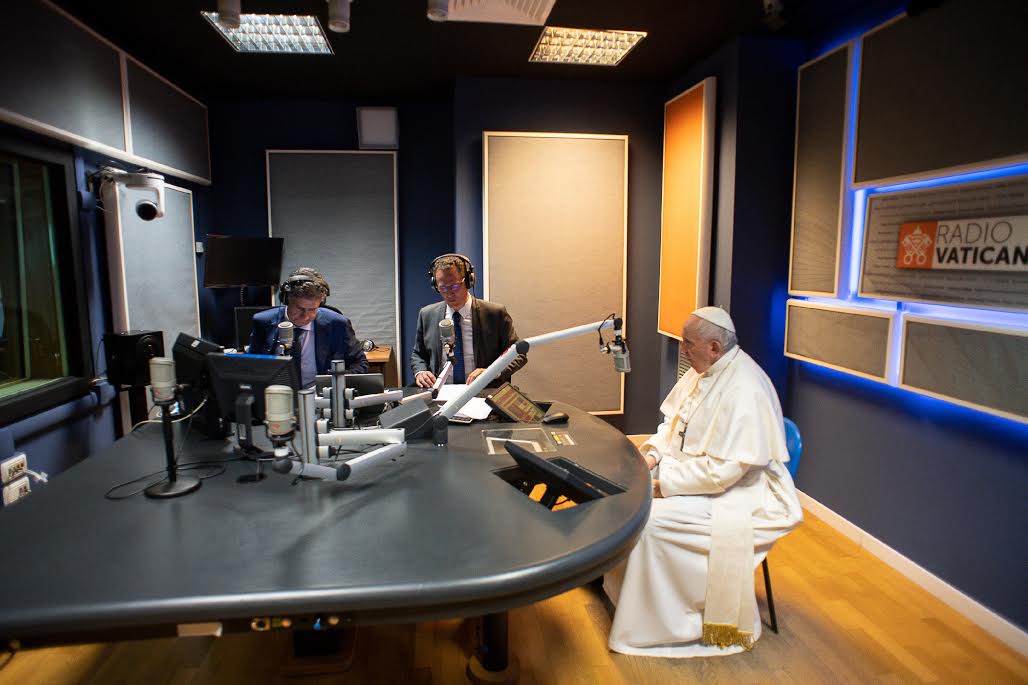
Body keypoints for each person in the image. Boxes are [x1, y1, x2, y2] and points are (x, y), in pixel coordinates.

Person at [603, 306, 802, 657]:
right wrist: (651, 458)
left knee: (648, 521)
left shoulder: (746, 388)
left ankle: (659, 626)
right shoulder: (702, 370)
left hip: (739, 492)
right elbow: (672, 426)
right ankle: (620, 593)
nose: (682, 349)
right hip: (691, 474)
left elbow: (725, 472)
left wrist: (660, 486)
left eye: (688, 343)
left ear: (714, 347)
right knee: (618, 482)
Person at [411, 254, 526, 388]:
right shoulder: (427, 315)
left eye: (455, 286)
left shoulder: (494, 313)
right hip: (442, 392)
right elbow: (418, 354)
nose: (450, 293)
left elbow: (519, 353)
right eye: (443, 288)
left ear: (468, 281)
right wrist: (420, 372)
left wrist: (492, 372)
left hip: (484, 390)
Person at [249, 267, 367, 387]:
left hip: (322, 395)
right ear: (286, 299)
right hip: (277, 394)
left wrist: (334, 385)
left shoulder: (338, 324)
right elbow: (252, 366)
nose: (305, 316)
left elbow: (359, 363)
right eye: (300, 308)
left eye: (312, 309)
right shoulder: (263, 322)